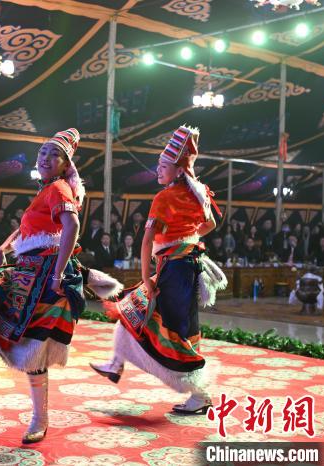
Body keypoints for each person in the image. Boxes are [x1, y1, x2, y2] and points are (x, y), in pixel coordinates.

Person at [0, 128, 122, 444]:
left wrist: (57, 274)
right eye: (42, 152)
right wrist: (3, 248)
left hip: (43, 278)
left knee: (32, 349)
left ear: (66, 164)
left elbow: (71, 226)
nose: (45, 158)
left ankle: (37, 415)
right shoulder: (48, 191)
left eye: (54, 155)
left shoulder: (58, 189)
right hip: (29, 274)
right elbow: (32, 230)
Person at [90, 125, 227, 416]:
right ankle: (115, 364)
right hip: (186, 266)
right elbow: (211, 224)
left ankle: (200, 394)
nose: (157, 170)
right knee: (134, 310)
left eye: (163, 166)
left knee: (173, 330)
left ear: (178, 170)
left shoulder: (164, 198)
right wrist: (187, 238)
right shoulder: (199, 193)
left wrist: (145, 277)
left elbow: (147, 240)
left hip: (174, 270)